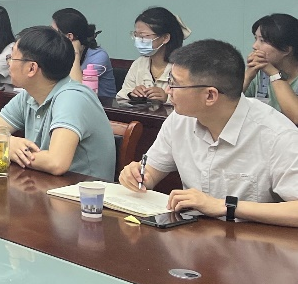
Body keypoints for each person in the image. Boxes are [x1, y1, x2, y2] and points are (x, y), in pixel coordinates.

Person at [119, 40, 298, 227]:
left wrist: (224, 206)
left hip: (251, 239)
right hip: (193, 234)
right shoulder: (179, 120)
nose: (168, 91)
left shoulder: (277, 135)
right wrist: (137, 176)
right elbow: (150, 172)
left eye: (175, 84)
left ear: (210, 95)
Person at [0, 26, 115, 180]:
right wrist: (9, 144)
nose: (8, 64)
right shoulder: (27, 96)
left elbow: (56, 162)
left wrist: (4, 151)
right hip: (44, 184)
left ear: (32, 68)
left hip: (83, 191)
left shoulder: (72, 98)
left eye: (12, 58)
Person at [118, 6, 186, 102]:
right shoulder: (139, 63)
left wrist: (167, 98)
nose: (138, 40)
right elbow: (121, 95)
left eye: (144, 36)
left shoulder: (183, 68)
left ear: (165, 38)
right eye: (136, 35)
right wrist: (132, 94)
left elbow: (191, 102)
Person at [243, 13, 298, 126]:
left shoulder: (268, 70)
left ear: (286, 49)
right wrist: (248, 75)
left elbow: (296, 118)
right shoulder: (258, 73)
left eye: (262, 40)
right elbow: (226, 105)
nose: (254, 46)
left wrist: (274, 74)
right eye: (255, 38)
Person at [51, 7, 117, 100]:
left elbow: (78, 91)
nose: (50, 36)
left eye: (54, 32)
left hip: (102, 106)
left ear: (69, 36)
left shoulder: (99, 56)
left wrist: (76, 53)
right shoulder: (59, 52)